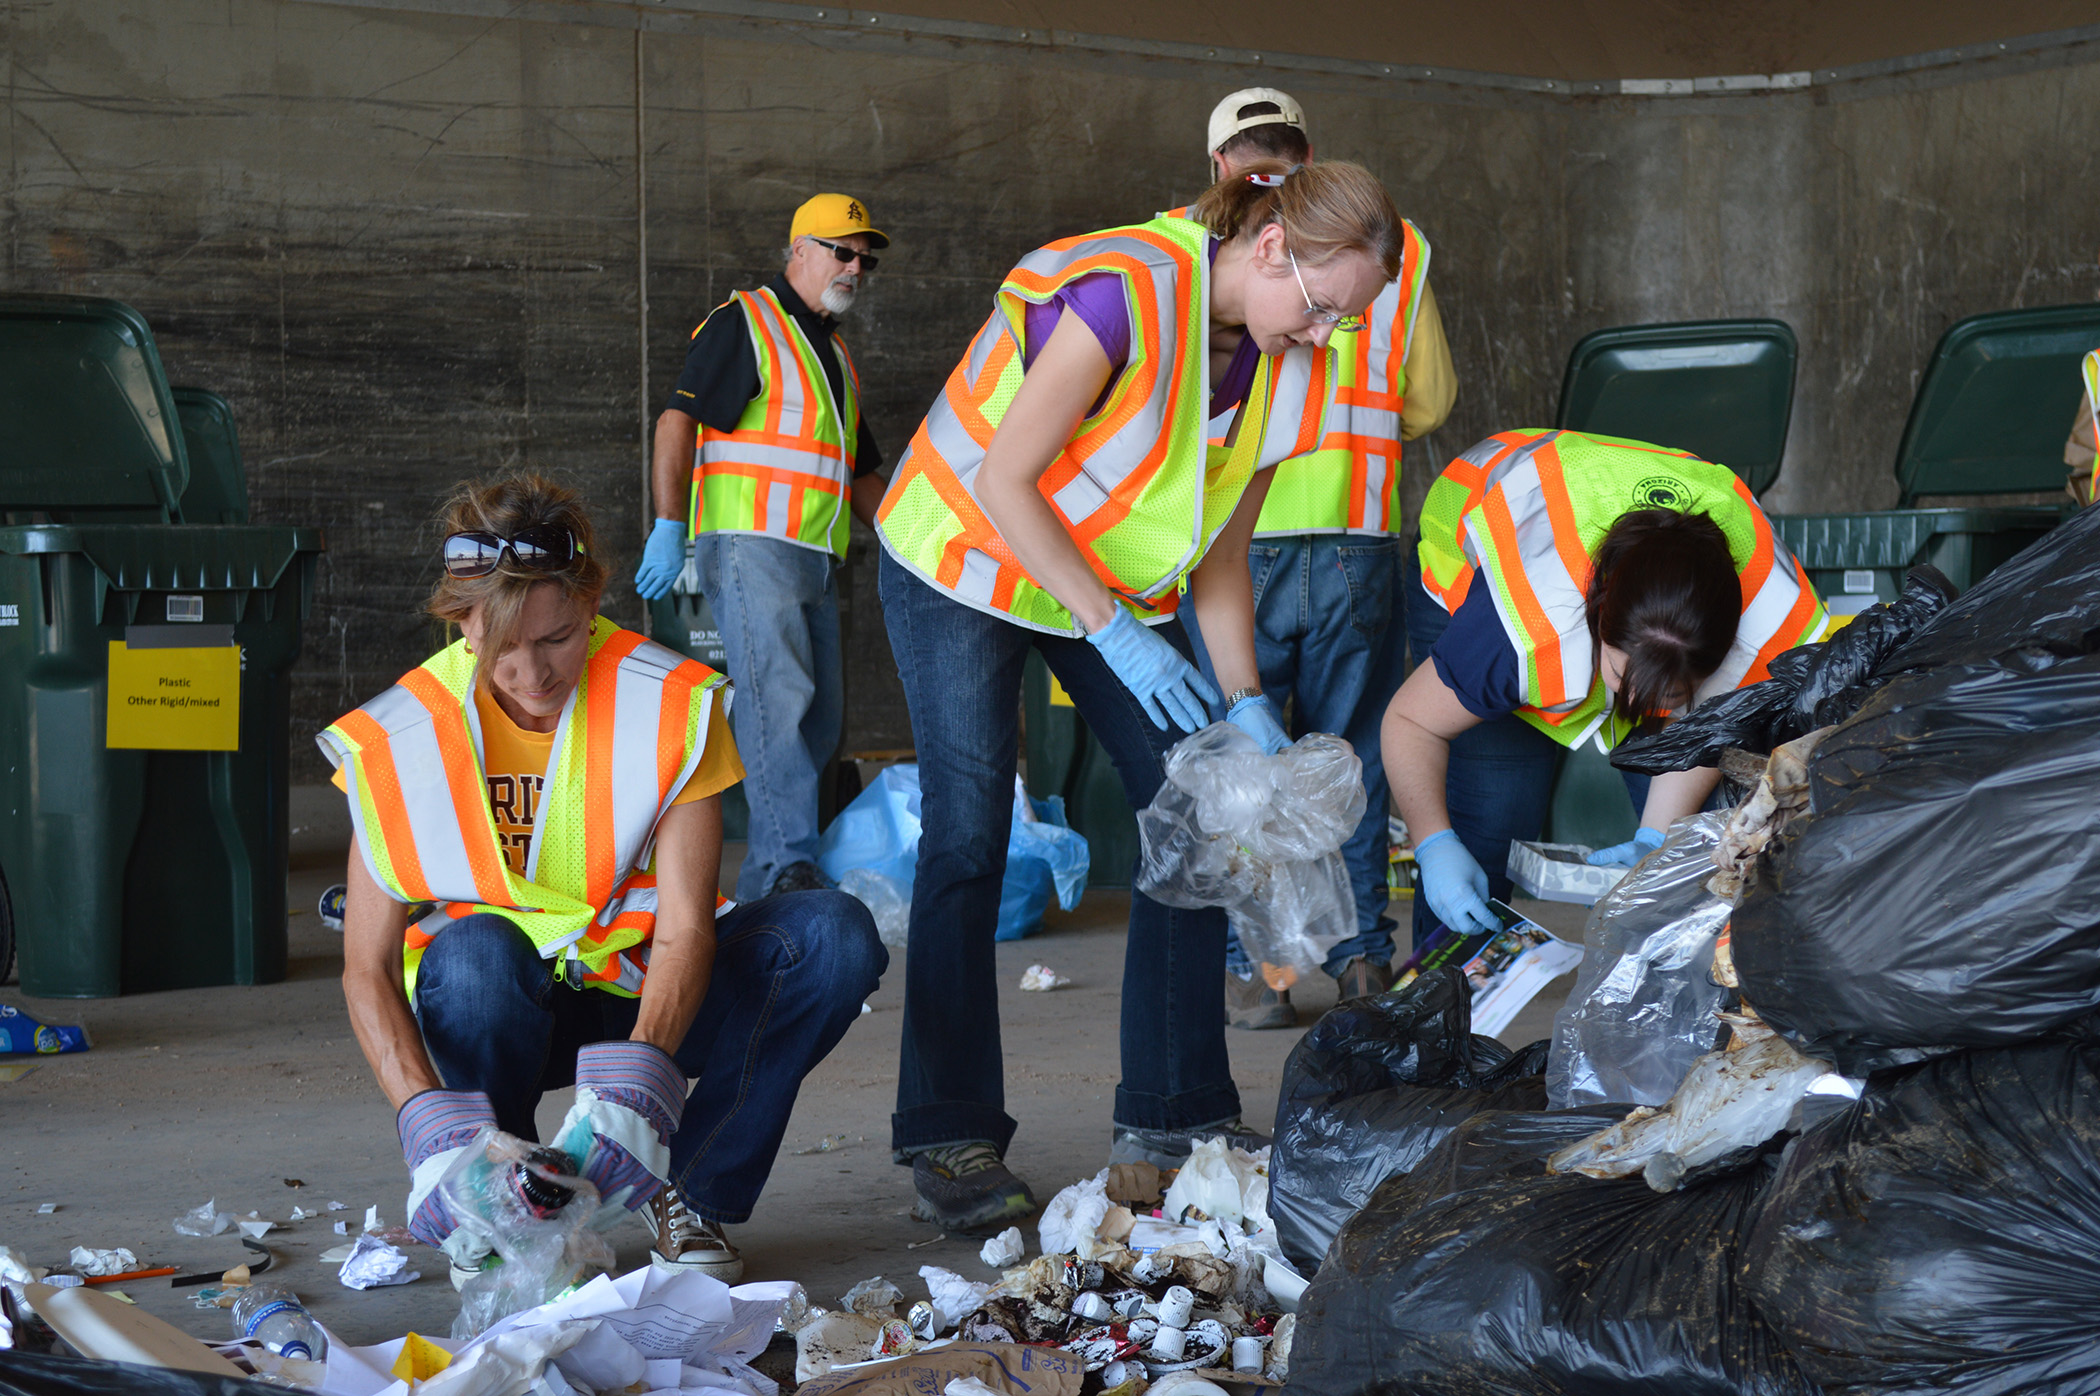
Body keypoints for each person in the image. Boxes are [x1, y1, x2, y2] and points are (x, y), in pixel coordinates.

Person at [876, 160, 1402, 1232]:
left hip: (1095, 575)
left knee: (1196, 799)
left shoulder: (1283, 360)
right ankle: (949, 1132)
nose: (1319, 337)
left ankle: (1173, 1113)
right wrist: (1115, 633)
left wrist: (1243, 700)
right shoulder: (1125, 292)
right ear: (1268, 249)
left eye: (1340, 323)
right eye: (1316, 307)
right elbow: (1005, 479)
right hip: (966, 558)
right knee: (970, 836)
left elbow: (1220, 554)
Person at [328, 475, 885, 1284]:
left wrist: (639, 1085)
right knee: (474, 951)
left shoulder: (668, 704)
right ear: (461, 624)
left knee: (832, 937)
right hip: (501, 1008)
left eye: (554, 638)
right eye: (500, 646)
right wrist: (431, 1125)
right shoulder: (401, 739)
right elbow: (365, 967)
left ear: (591, 601)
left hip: (646, 991)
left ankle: (691, 1190)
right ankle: (502, 1201)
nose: (530, 674)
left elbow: (688, 927)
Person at [1181, 88, 1458, 1028]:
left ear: (1218, 163)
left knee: (1239, 765)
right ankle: (1363, 960)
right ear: (1313, 159)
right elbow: (1426, 400)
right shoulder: (1395, 248)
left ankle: (1257, 976)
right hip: (1354, 541)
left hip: (1234, 550)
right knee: (1355, 757)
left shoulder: (1191, 249)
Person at [1383, 429, 1828, 947]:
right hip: (1476, 518)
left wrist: (1656, 837)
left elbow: (1703, 734)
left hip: (1618, 512)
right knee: (1494, 805)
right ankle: (1432, 1008)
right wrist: (1433, 844)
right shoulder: (1525, 619)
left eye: (1671, 697)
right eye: (1620, 678)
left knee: (1692, 843)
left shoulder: (1769, 628)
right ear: (1597, 620)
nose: (1636, 708)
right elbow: (1410, 722)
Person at [633, 193, 892, 901]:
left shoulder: (833, 354)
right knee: (777, 702)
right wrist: (667, 522)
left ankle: (771, 886)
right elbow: (676, 421)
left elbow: (862, 475)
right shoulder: (747, 321)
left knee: (821, 716)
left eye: (864, 258)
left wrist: (914, 540)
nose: (856, 267)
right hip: (752, 546)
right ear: (799, 251)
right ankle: (786, 869)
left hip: (814, 556)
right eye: (843, 251)